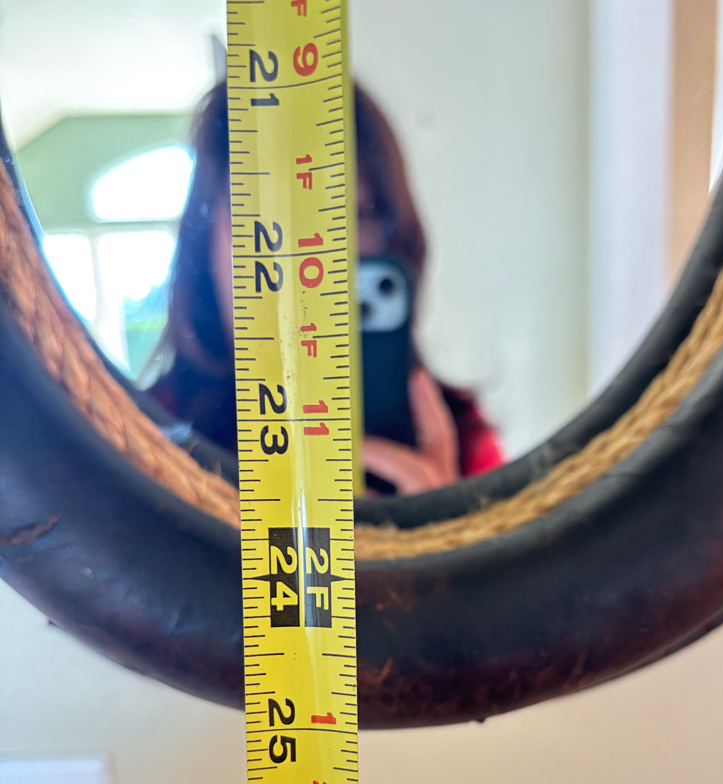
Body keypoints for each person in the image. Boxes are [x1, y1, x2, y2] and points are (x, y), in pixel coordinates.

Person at [147, 81, 505, 494]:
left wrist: (444, 529)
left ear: (395, 241)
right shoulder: (137, 437)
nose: (310, 256)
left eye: (351, 216)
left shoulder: (462, 445)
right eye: (267, 218)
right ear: (205, 246)